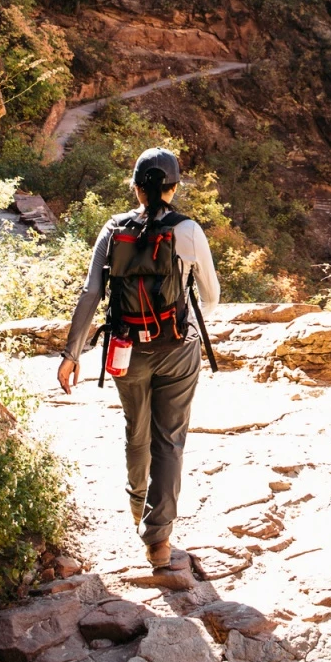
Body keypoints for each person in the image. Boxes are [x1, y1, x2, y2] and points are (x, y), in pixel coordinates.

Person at [57, 148, 220, 569]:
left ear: (135, 186)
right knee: (170, 441)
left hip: (126, 348)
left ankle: (136, 505)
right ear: (174, 187)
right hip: (177, 349)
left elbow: (92, 293)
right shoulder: (188, 230)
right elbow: (212, 297)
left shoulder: (114, 229)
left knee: (137, 430)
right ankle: (159, 540)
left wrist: (71, 353)